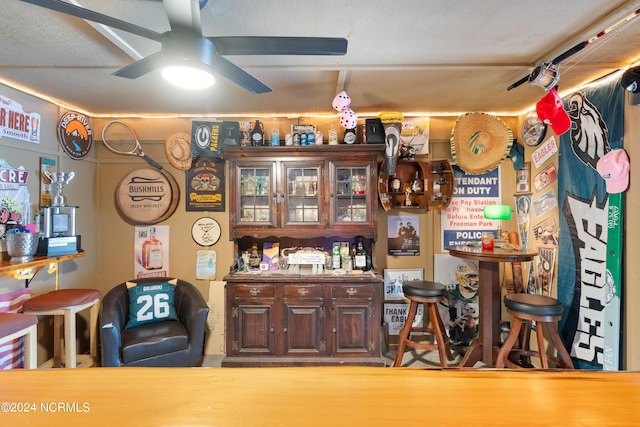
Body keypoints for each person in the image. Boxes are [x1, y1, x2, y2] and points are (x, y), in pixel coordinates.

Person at [438, 260, 480, 346]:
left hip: (478, 337)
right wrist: (451, 323)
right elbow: (441, 318)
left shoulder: (483, 292)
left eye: (477, 276)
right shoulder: (450, 293)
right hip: (456, 335)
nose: (477, 279)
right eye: (472, 276)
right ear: (462, 278)